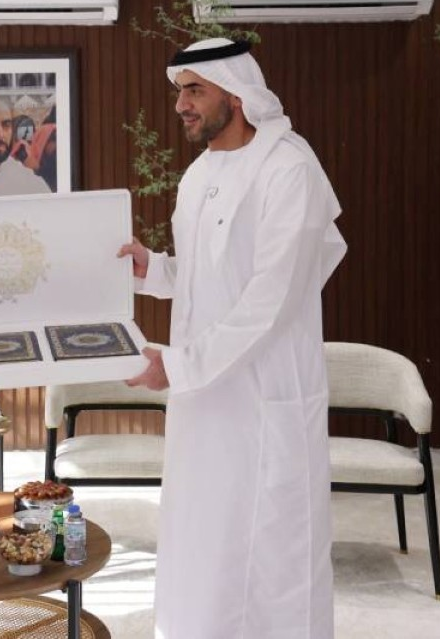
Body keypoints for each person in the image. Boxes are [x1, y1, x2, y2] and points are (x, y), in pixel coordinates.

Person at [117, 38, 346, 639]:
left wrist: (178, 366)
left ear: (237, 95)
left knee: (271, 552)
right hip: (205, 401)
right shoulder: (200, 174)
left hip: (263, 399)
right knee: (204, 538)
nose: (181, 105)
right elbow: (208, 275)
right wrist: (153, 269)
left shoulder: (288, 169)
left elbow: (271, 298)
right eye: (179, 92)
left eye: (194, 90)